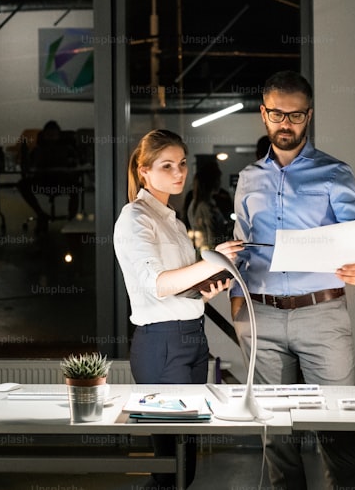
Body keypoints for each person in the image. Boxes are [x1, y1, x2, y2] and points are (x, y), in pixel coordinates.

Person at [231, 70, 355, 490]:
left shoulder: (333, 173)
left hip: (321, 315)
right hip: (262, 316)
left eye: (295, 116)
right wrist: (236, 303)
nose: (286, 123)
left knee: (335, 428)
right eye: (277, 114)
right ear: (263, 114)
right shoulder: (248, 179)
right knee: (276, 433)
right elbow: (243, 243)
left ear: (308, 116)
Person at [113, 128, 242, 489]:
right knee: (172, 462)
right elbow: (156, 284)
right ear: (143, 171)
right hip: (162, 344)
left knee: (186, 457)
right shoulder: (135, 218)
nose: (178, 173)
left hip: (192, 340)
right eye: (166, 165)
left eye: (182, 164)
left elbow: (178, 289)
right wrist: (216, 260)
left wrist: (205, 290)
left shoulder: (174, 219)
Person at [18, 120, 80, 233]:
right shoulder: (37, 150)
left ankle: (72, 220)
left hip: (62, 182)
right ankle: (41, 214)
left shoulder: (68, 149)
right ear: (44, 135)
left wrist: (69, 165)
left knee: (75, 187)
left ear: (59, 135)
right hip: (42, 181)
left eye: (54, 134)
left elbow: (76, 165)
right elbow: (28, 167)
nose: (51, 137)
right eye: (48, 134)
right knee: (22, 184)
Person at [186, 161, 234, 252]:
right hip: (210, 254)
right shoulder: (205, 206)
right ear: (212, 182)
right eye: (218, 179)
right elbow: (211, 236)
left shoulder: (200, 203)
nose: (220, 182)